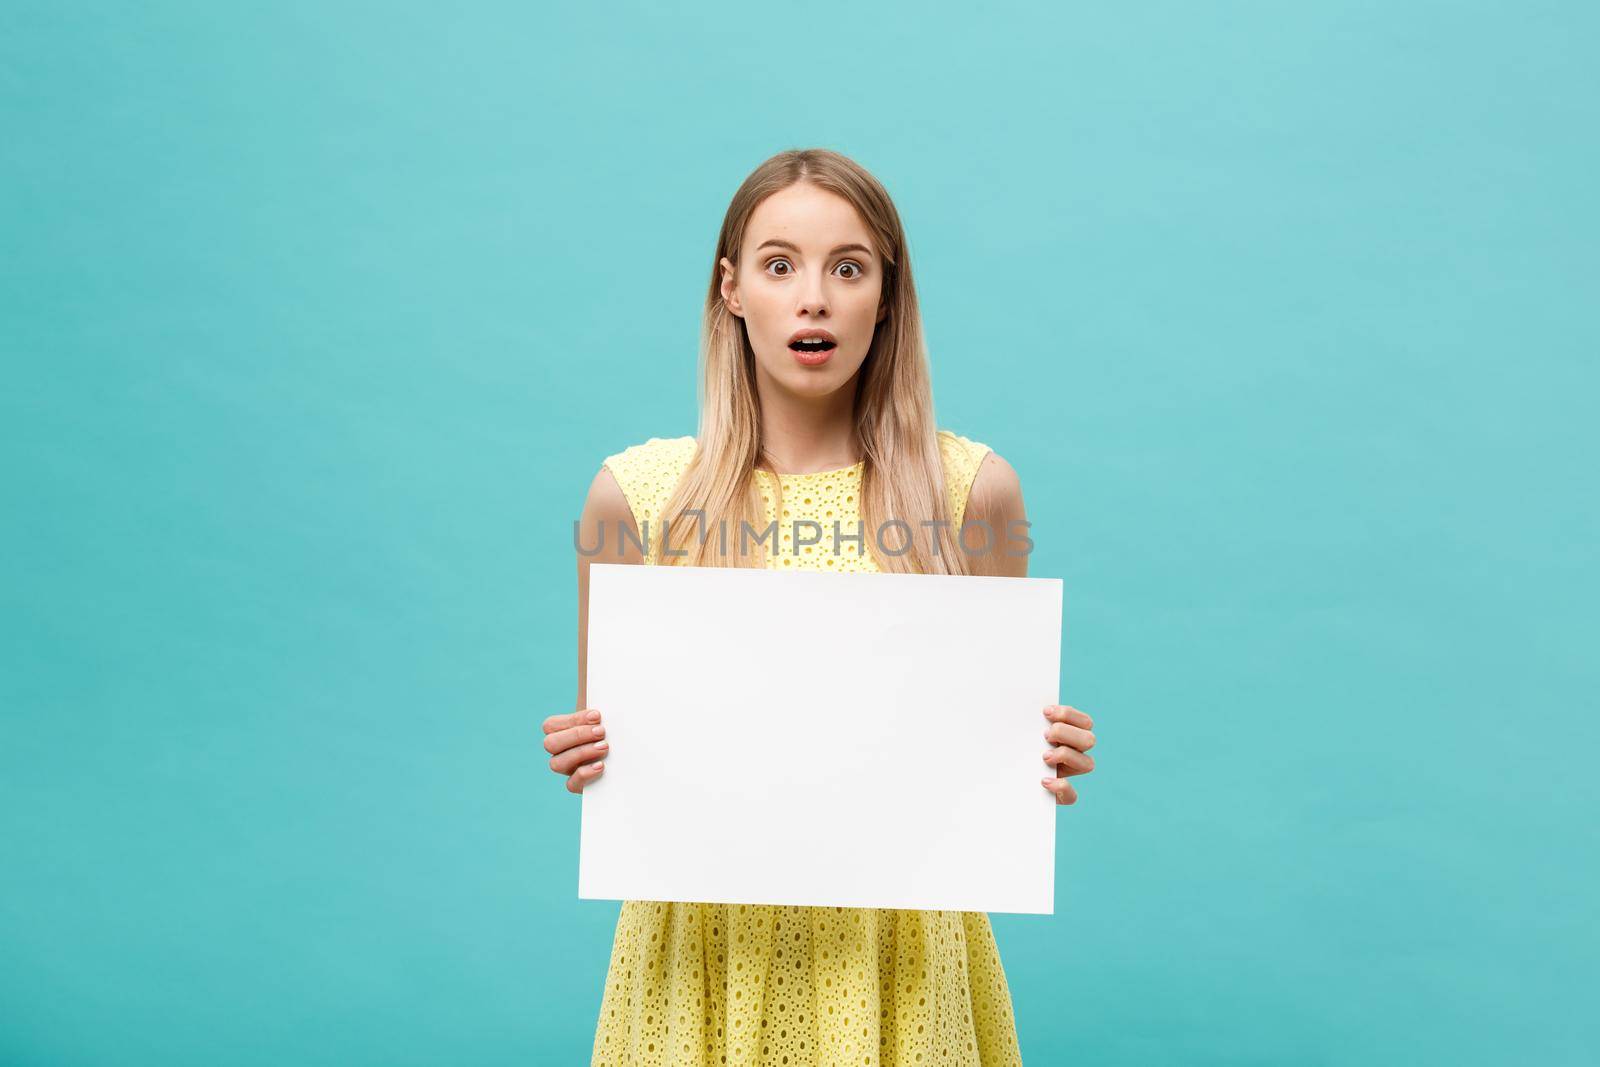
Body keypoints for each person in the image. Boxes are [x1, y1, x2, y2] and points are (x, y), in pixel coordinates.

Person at [546, 147, 1099, 1065]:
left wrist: (1044, 753)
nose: (814, 297)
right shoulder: (635, 499)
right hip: (703, 958)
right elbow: (617, 754)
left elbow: (1000, 745)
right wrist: (586, 752)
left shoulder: (973, 493)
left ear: (887, 296)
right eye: (779, 264)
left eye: (848, 268)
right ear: (731, 289)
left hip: (901, 962)